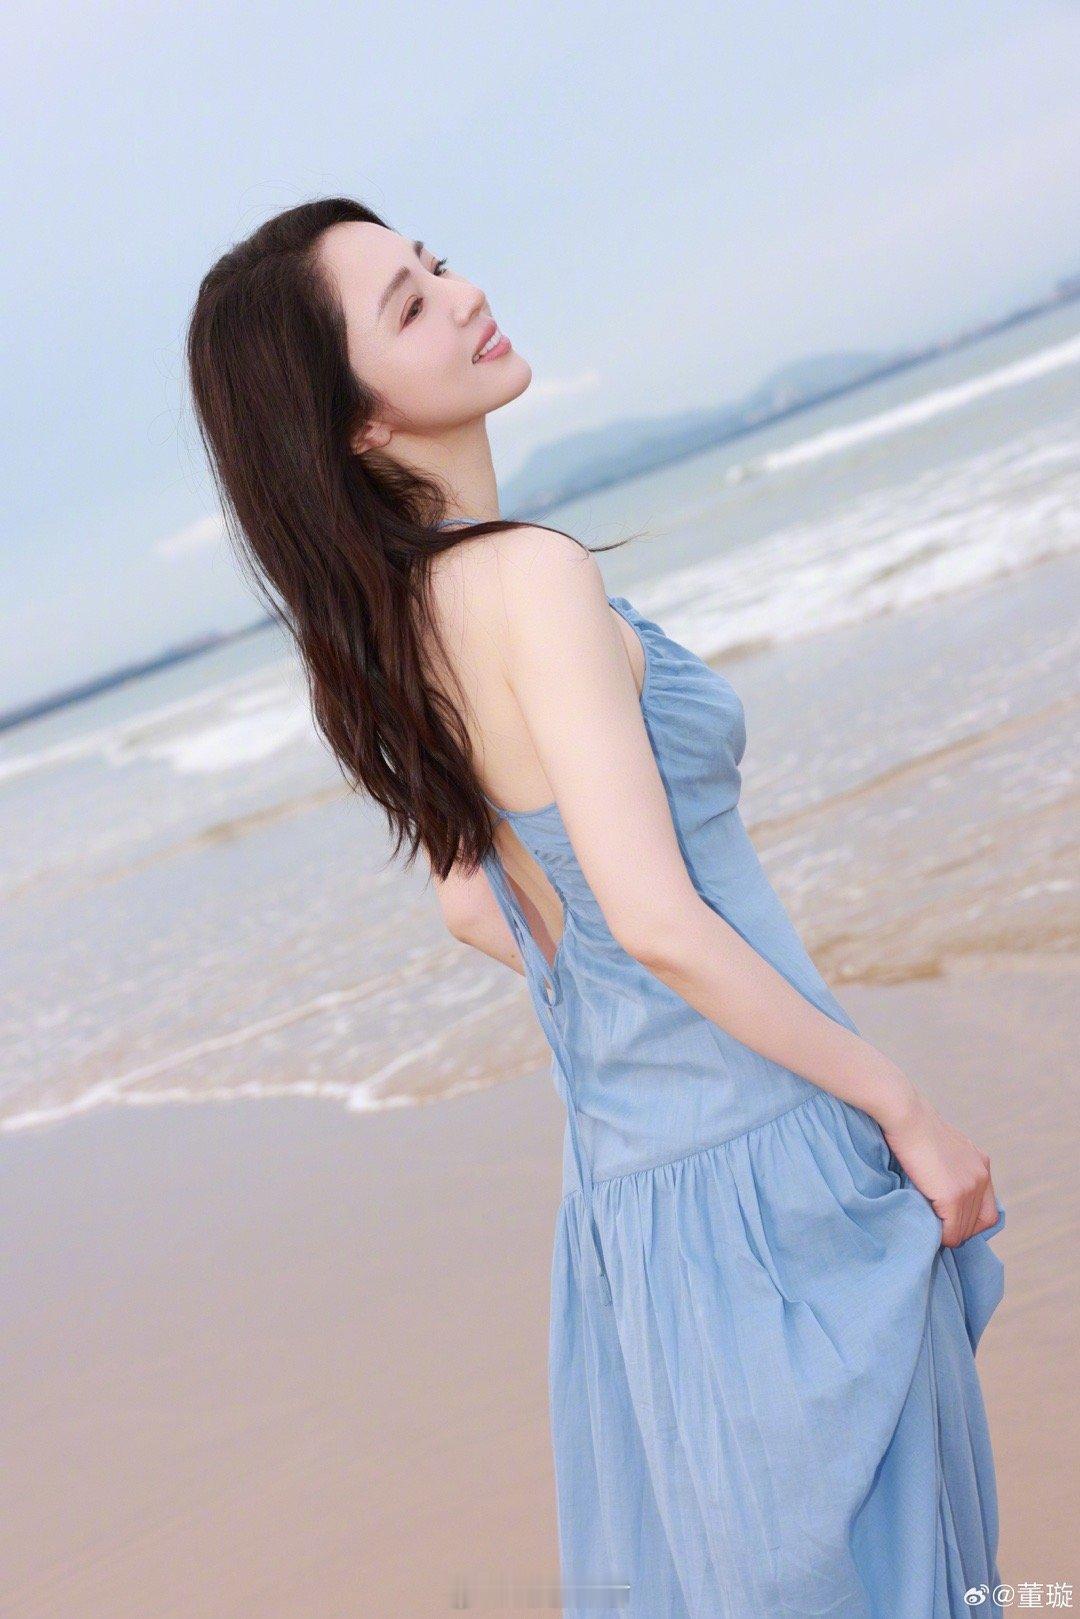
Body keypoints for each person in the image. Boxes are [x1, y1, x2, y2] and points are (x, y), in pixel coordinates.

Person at [187, 197, 1007, 1617]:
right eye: (407, 304)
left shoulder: (396, 628)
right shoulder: (533, 577)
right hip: (764, 1163)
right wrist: (902, 1105)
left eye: (435, 264)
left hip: (634, 1205)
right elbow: (656, 920)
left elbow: (474, 903)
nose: (461, 293)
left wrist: (638, 1027)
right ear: (357, 423)